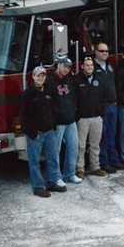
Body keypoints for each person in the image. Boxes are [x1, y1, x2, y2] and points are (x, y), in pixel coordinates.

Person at [21, 66, 65, 197]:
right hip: (36, 134)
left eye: (43, 75)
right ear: (33, 77)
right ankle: (38, 187)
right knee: (34, 161)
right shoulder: (27, 94)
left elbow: (54, 109)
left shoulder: (49, 91)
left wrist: (54, 125)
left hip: (50, 131)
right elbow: (23, 116)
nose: (41, 78)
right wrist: (31, 132)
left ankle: (52, 181)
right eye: (38, 75)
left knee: (53, 158)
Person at [48, 57, 82, 185]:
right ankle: (56, 177)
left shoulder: (70, 79)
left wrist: (74, 112)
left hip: (70, 120)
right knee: (54, 150)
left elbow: (74, 97)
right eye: (64, 66)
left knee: (73, 147)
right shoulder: (50, 80)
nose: (66, 69)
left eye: (68, 67)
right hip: (58, 122)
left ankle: (70, 174)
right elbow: (48, 102)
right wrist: (53, 120)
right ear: (58, 65)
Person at [94, 42, 124, 174]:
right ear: (96, 52)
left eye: (106, 51)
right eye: (102, 51)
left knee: (113, 134)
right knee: (103, 137)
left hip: (113, 105)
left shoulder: (109, 66)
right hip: (102, 107)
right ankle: (104, 162)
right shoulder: (93, 68)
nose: (105, 53)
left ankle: (115, 161)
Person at [76, 57, 108, 178]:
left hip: (96, 117)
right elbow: (74, 100)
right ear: (82, 66)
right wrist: (77, 116)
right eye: (87, 65)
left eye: (91, 65)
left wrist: (101, 112)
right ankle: (80, 169)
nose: (89, 67)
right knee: (81, 145)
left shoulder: (98, 79)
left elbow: (104, 96)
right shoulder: (77, 80)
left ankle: (95, 167)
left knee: (95, 144)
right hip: (83, 118)